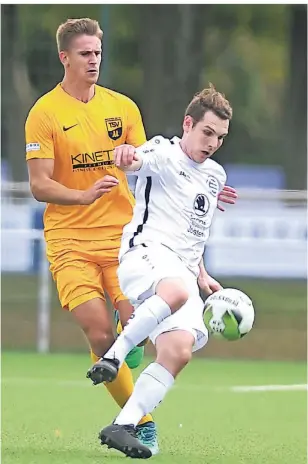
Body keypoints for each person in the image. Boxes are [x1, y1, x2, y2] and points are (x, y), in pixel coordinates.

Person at [25, 17, 159, 453]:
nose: (94, 60)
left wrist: (133, 158)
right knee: (101, 336)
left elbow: (147, 161)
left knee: (138, 328)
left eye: (97, 53)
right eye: (85, 53)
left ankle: (131, 344)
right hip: (69, 240)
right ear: (65, 57)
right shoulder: (44, 114)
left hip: (122, 238)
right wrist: (83, 197)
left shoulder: (123, 108)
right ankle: (143, 421)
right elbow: (39, 184)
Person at [87, 84, 233, 459]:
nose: (213, 142)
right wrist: (125, 156)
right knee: (176, 292)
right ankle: (115, 355)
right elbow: (135, 159)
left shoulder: (215, 175)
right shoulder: (163, 151)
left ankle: (123, 424)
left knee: (179, 349)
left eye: (220, 136)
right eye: (207, 132)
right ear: (188, 124)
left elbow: (193, 233)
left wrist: (202, 274)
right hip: (145, 254)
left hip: (183, 271)